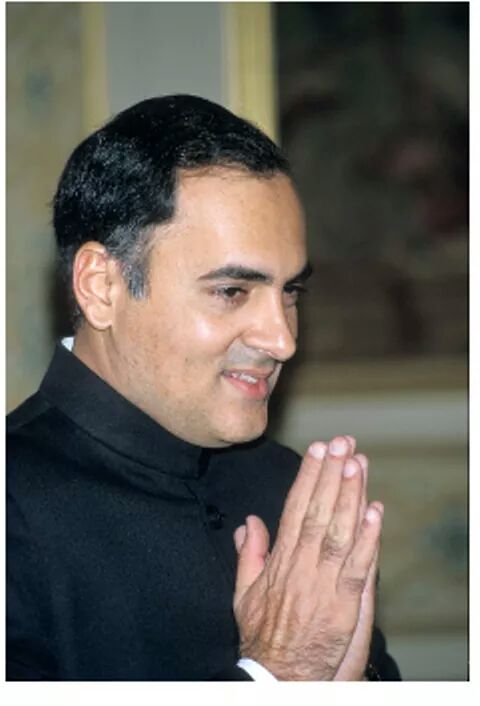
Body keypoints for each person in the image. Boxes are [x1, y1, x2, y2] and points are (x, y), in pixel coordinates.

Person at [7, 94, 401, 681]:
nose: (282, 340)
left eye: (291, 292)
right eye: (231, 292)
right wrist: (276, 675)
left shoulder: (288, 488)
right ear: (101, 287)